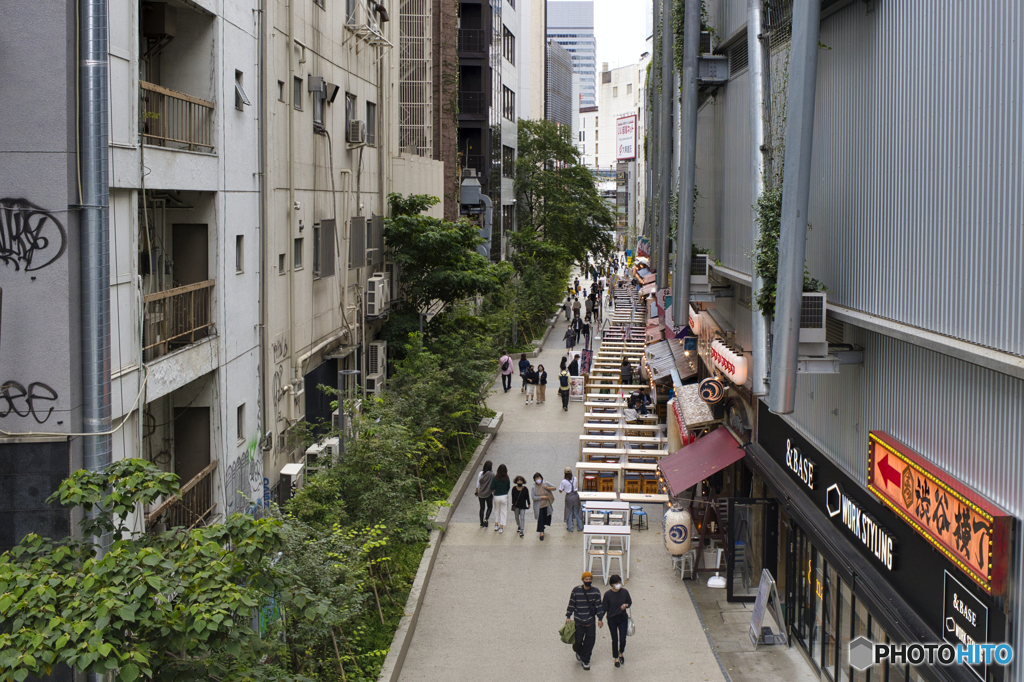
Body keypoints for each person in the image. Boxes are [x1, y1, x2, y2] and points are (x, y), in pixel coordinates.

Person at [566, 572, 605, 670]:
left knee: (590, 642)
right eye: (586, 579)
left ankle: (586, 660)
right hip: (578, 621)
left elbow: (599, 606)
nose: (588, 581)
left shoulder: (596, 592)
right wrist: (568, 616)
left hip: (590, 621)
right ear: (583, 580)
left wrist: (600, 618)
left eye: (589, 579)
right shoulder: (576, 591)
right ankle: (579, 652)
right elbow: (572, 603)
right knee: (577, 642)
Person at [602, 576, 633, 667]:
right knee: (614, 639)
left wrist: (626, 605)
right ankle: (616, 658)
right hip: (612, 619)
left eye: (619, 582)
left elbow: (629, 602)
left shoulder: (625, 592)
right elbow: (604, 608)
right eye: (616, 583)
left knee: (622, 639)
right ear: (612, 584)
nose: (618, 584)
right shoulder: (607, 595)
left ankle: (621, 652)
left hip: (622, 618)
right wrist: (600, 619)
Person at [558, 467, 584, 532]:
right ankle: (580, 526)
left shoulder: (563, 481)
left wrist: (564, 489)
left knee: (569, 511)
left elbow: (560, 490)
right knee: (577, 511)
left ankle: (570, 527)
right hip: (575, 495)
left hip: (569, 497)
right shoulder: (575, 478)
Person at [531, 473, 556, 540]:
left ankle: (543, 526)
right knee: (540, 518)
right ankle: (541, 532)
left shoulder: (545, 483)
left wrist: (547, 488)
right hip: (539, 506)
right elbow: (533, 497)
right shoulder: (534, 487)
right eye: (536, 479)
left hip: (546, 505)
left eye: (539, 478)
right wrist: (542, 497)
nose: (538, 480)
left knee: (546, 517)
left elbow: (554, 488)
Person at [490, 464, 511, 533]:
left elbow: (491, 487)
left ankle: (496, 525)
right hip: (504, 496)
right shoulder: (507, 478)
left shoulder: (495, 478)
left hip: (496, 496)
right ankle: (501, 527)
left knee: (496, 510)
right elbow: (508, 487)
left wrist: (495, 491)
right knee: (503, 511)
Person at [475, 461, 494, 528]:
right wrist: (493, 492)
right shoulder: (492, 474)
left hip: (481, 493)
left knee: (482, 508)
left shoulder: (481, 473)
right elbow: (493, 484)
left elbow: (478, 483)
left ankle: (481, 523)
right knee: (490, 507)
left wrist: (476, 491)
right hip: (488, 493)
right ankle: (486, 519)